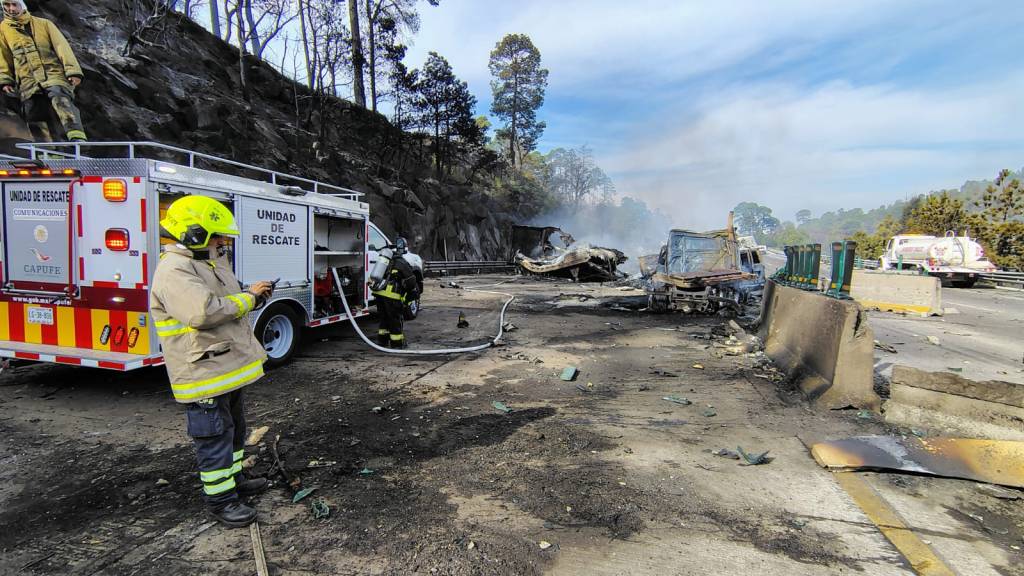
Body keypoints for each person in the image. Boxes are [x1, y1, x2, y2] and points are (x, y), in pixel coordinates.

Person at [150, 195, 274, 528]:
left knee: (234, 432)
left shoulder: (205, 262)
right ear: (193, 232)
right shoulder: (174, 270)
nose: (222, 241)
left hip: (221, 368)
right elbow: (202, 311)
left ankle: (234, 483)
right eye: (216, 235)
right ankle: (221, 502)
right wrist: (247, 298)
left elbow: (222, 301)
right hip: (202, 372)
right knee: (214, 437)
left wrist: (251, 294)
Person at [0, 0, 87, 142]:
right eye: (7, 5)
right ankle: (47, 151)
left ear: (22, 5)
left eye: (14, 4)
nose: (11, 9)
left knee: (60, 98)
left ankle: (76, 137)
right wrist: (5, 81)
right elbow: (3, 57)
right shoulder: (3, 30)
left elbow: (62, 47)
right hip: (27, 81)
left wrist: (73, 71)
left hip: (53, 74)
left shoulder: (44, 24)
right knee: (34, 114)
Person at [373, 237, 420, 349]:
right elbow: (411, 281)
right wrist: (410, 295)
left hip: (379, 295)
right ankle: (397, 344)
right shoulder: (402, 262)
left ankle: (382, 342)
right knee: (395, 320)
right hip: (392, 296)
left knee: (384, 319)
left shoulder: (386, 261)